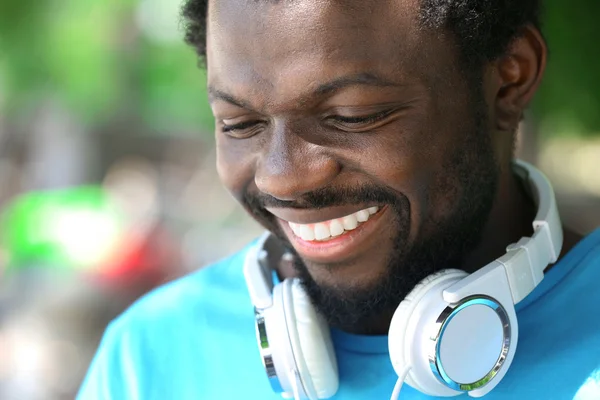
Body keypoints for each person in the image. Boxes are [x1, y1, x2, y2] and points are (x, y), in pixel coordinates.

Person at [78, 1, 600, 399]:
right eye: (241, 124)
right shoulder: (150, 356)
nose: (283, 180)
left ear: (511, 78)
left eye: (352, 116)